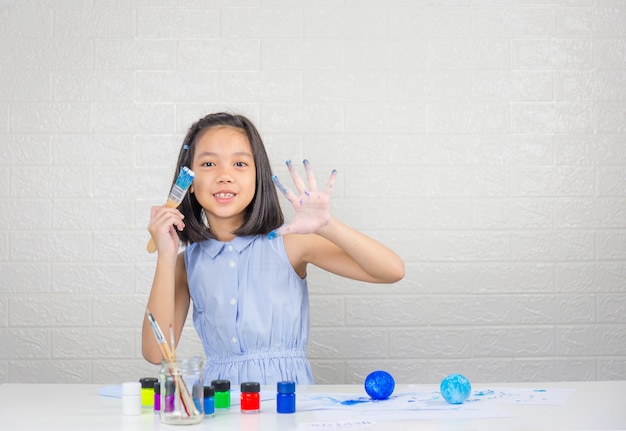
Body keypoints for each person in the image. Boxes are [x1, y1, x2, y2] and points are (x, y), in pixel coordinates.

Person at [142, 112, 405, 385]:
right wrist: (166, 255)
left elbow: (392, 270)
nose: (224, 176)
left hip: (287, 405)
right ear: (190, 184)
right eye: (208, 163)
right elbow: (154, 352)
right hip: (221, 407)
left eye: (240, 163)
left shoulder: (291, 244)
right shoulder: (185, 264)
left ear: (258, 179)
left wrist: (327, 226)